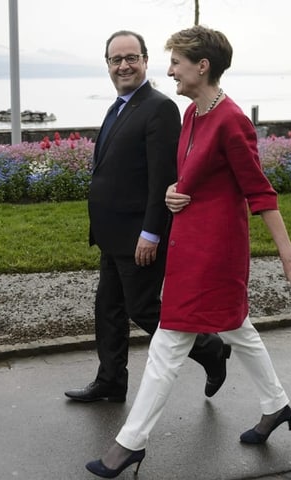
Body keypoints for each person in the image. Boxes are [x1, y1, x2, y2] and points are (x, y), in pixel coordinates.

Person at [85, 25, 291, 478]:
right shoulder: (192, 115)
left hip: (216, 254)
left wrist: (289, 257)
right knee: (238, 328)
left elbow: (260, 194)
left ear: (201, 66)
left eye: (176, 63)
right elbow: (188, 177)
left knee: (168, 342)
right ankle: (277, 404)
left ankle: (130, 442)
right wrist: (173, 191)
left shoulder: (231, 121)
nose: (169, 71)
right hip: (189, 245)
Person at [65, 30, 230, 404]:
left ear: (144, 60)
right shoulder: (119, 106)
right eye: (115, 59)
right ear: (107, 65)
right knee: (108, 310)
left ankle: (210, 349)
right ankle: (110, 381)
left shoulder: (158, 107)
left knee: (143, 309)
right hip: (112, 235)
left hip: (139, 236)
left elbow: (163, 180)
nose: (123, 65)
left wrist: (151, 234)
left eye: (130, 58)